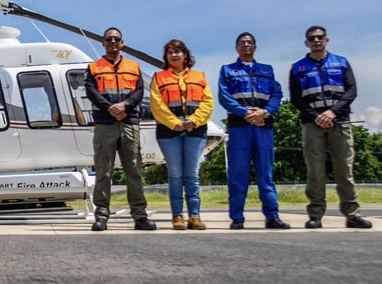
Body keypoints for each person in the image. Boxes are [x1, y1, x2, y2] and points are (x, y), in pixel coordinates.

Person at [289, 26, 372, 229]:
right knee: (315, 171)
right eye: (312, 38)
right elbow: (296, 99)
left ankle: (352, 214)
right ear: (306, 43)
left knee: (345, 169)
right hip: (312, 124)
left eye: (320, 37)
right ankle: (315, 214)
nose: (316, 41)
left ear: (327, 40)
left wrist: (332, 112)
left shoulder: (341, 63)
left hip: (340, 121)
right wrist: (317, 116)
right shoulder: (297, 68)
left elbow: (351, 90)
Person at [84, 28, 155, 231]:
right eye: (109, 39)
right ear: (103, 43)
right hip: (105, 124)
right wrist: (110, 109)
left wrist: (125, 107)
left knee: (134, 170)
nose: (113, 42)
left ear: (122, 43)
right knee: (103, 172)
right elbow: (91, 92)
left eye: (116, 39)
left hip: (129, 122)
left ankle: (140, 216)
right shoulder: (94, 67)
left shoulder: (134, 66)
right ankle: (102, 216)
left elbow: (140, 91)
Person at [218, 33, 289, 230]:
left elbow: (277, 94)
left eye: (249, 42)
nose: (246, 45)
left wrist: (266, 112)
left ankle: (272, 216)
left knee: (266, 173)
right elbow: (224, 97)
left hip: (263, 127)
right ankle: (237, 217)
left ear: (255, 47)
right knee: (237, 173)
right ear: (236, 47)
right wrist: (245, 112)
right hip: (239, 127)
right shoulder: (227, 70)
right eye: (242, 43)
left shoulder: (267, 70)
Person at [150, 39, 214, 231]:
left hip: (196, 130)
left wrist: (194, 120)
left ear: (185, 55)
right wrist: (175, 123)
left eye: (178, 52)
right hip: (169, 132)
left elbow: (208, 102)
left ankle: (195, 216)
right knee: (176, 175)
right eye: (170, 52)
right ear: (166, 57)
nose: (174, 55)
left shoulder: (199, 76)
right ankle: (177, 216)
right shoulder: (158, 77)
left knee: (192, 175)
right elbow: (157, 104)